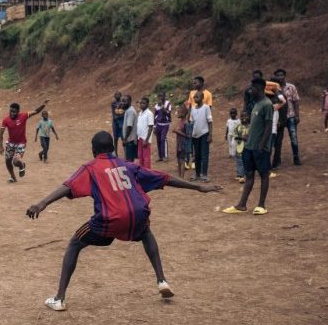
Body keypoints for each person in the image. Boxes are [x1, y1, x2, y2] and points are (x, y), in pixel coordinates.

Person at [25, 131, 222, 311]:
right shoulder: (128, 165)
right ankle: (161, 280)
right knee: (145, 232)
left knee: (75, 243)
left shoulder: (90, 168)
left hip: (110, 219)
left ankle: (59, 298)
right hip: (138, 214)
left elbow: (67, 186)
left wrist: (42, 203)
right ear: (113, 148)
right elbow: (164, 178)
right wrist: (197, 187)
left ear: (93, 150)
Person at [223, 78, 273, 215]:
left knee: (264, 175)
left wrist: (262, 145)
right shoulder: (256, 104)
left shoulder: (267, 104)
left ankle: (261, 205)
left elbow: (269, 126)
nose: (251, 91)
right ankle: (242, 205)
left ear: (260, 88)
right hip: (249, 147)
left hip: (260, 148)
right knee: (249, 175)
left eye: (253, 88)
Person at [0, 100, 48, 183]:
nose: (12, 113)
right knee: (7, 161)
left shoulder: (23, 116)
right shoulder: (6, 120)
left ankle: (21, 165)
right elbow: (0, 134)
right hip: (11, 143)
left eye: (14, 112)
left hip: (21, 143)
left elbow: (36, 111)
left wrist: (43, 105)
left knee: (15, 162)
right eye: (10, 111)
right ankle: (13, 177)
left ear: (18, 111)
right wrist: (0, 147)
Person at [274, 69, 302, 167]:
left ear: (285, 76)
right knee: (278, 139)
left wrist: (297, 115)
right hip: (279, 117)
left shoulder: (291, 87)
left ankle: (296, 157)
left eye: (281, 75)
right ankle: (277, 158)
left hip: (290, 115)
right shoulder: (274, 88)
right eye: (278, 75)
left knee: (293, 137)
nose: (280, 77)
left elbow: (296, 101)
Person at [190, 91, 213, 182]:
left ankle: (204, 174)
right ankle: (197, 173)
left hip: (204, 134)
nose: (195, 98)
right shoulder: (193, 108)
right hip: (195, 135)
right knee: (197, 155)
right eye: (194, 97)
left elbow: (210, 121)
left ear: (202, 98)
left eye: (197, 97)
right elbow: (192, 122)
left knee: (204, 155)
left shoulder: (206, 108)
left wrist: (210, 135)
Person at [137, 97, 155, 169]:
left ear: (147, 104)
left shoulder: (149, 113)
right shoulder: (140, 113)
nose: (141, 105)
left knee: (146, 158)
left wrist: (146, 140)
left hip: (145, 138)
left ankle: (147, 172)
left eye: (143, 103)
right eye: (141, 103)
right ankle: (142, 172)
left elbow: (150, 127)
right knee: (140, 156)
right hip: (140, 137)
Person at [172, 105, 189, 179]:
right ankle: (179, 177)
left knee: (182, 160)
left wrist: (177, 131)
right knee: (179, 160)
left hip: (183, 144)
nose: (178, 113)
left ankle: (182, 177)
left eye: (179, 112)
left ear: (184, 113)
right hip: (179, 144)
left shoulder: (186, 123)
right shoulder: (180, 122)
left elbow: (188, 135)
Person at [154, 92, 171, 161]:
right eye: (159, 96)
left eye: (162, 96)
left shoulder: (168, 104)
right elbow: (155, 116)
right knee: (158, 140)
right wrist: (154, 126)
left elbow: (168, 113)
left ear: (165, 96)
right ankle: (160, 156)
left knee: (163, 139)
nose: (160, 98)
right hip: (158, 124)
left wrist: (162, 106)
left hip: (165, 124)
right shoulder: (156, 105)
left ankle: (164, 156)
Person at [233, 111, 250, 183]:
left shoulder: (251, 127)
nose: (243, 118)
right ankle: (241, 175)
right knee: (239, 161)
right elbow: (235, 136)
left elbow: (253, 136)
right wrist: (241, 137)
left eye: (245, 116)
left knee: (247, 161)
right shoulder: (238, 127)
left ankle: (244, 174)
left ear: (248, 117)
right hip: (239, 147)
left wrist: (248, 137)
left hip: (248, 148)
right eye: (242, 117)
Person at [122, 95, 138, 162]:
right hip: (129, 139)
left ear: (130, 101)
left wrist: (125, 139)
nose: (123, 103)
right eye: (122, 101)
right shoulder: (128, 110)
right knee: (129, 159)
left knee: (129, 160)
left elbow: (129, 126)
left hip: (130, 139)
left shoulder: (130, 111)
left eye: (125, 101)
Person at [110, 92, 126, 157]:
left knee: (123, 138)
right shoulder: (113, 103)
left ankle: (125, 153)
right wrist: (117, 116)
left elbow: (124, 113)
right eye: (115, 94)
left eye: (118, 94)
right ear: (114, 96)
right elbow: (113, 113)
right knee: (115, 138)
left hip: (121, 122)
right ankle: (115, 153)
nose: (117, 95)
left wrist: (117, 116)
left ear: (121, 95)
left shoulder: (123, 103)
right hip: (116, 123)